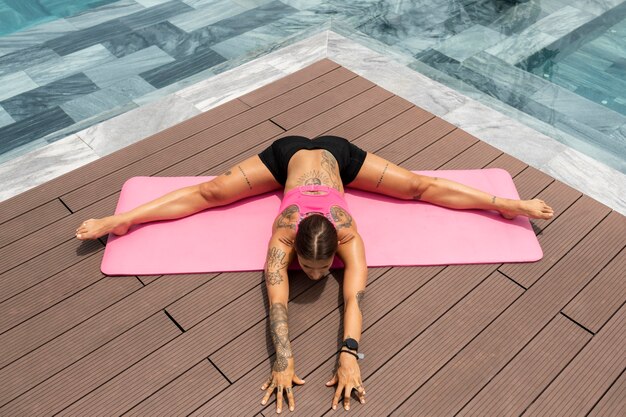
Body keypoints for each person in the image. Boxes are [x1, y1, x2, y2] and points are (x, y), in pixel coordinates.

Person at [75, 135, 553, 413]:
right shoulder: (283, 235)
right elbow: (276, 301)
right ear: (297, 250)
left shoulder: (348, 234)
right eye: (312, 267)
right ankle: (119, 220)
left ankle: (510, 203)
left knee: (418, 187)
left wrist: (351, 356)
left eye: (326, 268)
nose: (320, 276)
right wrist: (281, 361)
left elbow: (354, 300)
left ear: (336, 250)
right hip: (288, 157)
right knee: (212, 192)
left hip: (336, 157)